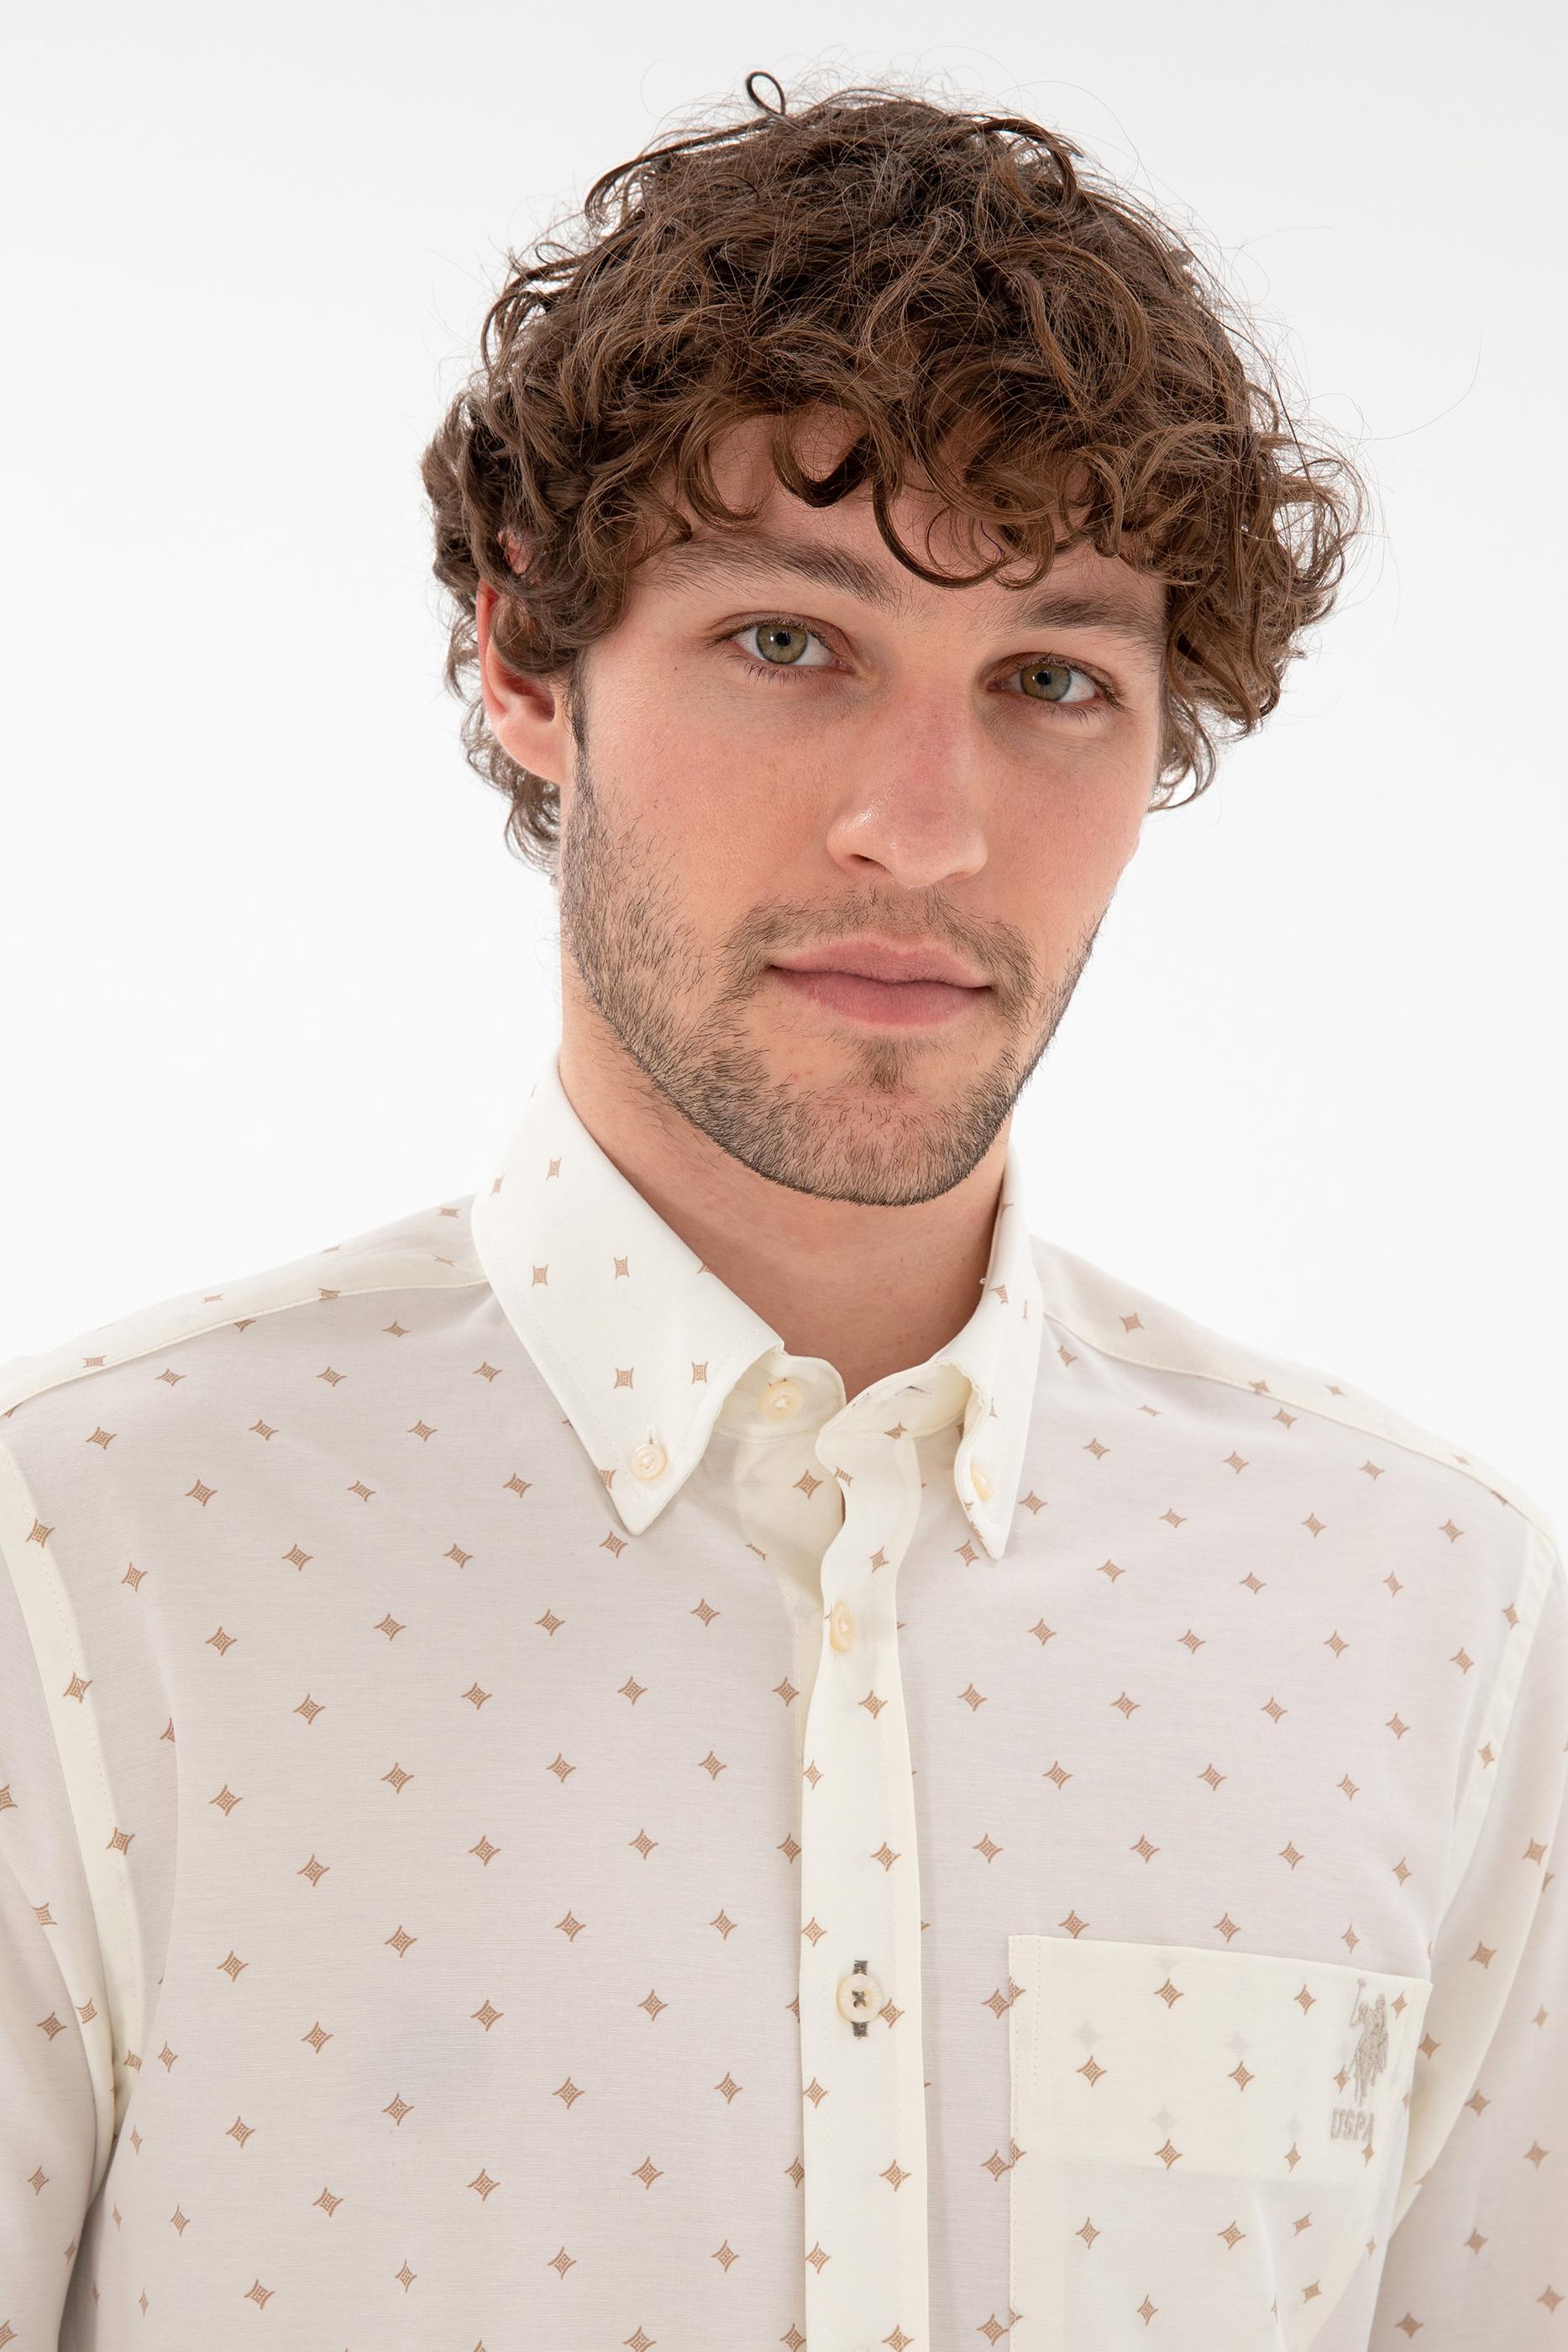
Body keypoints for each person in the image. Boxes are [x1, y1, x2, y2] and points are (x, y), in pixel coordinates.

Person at [2, 70, 1561, 2352]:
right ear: (526, 662)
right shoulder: (87, 1560)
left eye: (1049, 679)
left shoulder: (1428, 1612)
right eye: (788, 644)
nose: (922, 828)